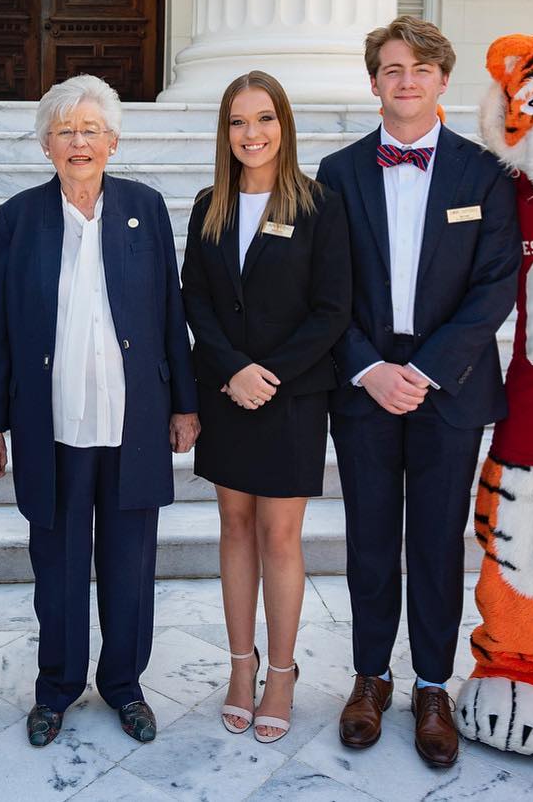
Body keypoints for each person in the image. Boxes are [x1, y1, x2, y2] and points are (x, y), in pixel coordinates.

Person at [315, 17, 521, 768]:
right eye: (392, 68)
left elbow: (496, 284)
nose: (406, 80)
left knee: (435, 542)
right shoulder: (336, 175)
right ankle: (370, 679)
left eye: (421, 68)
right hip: (364, 382)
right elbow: (324, 288)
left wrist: (427, 370)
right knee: (370, 537)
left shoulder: (484, 174)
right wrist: (369, 368)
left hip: (451, 385)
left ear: (442, 80)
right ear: (373, 82)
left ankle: (432, 686)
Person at [0, 74, 199, 748]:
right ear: (46, 144)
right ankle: (57, 687)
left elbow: (169, 312)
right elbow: (1, 330)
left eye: (90, 130)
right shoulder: (18, 216)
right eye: (66, 131)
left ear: (113, 141)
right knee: (59, 567)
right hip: (54, 423)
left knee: (131, 564)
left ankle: (125, 685)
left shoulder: (144, 206)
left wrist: (185, 404)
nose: (78, 142)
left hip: (131, 421)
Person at [180, 71, 351, 743]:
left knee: (279, 536)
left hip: (290, 396)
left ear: (283, 125)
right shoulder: (208, 205)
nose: (251, 134)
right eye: (237, 122)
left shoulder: (319, 205)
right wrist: (230, 370)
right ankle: (238, 667)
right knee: (232, 527)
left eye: (263, 119)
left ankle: (280, 672)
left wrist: (265, 375)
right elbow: (194, 297)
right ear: (223, 133)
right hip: (224, 393)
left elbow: (332, 310)